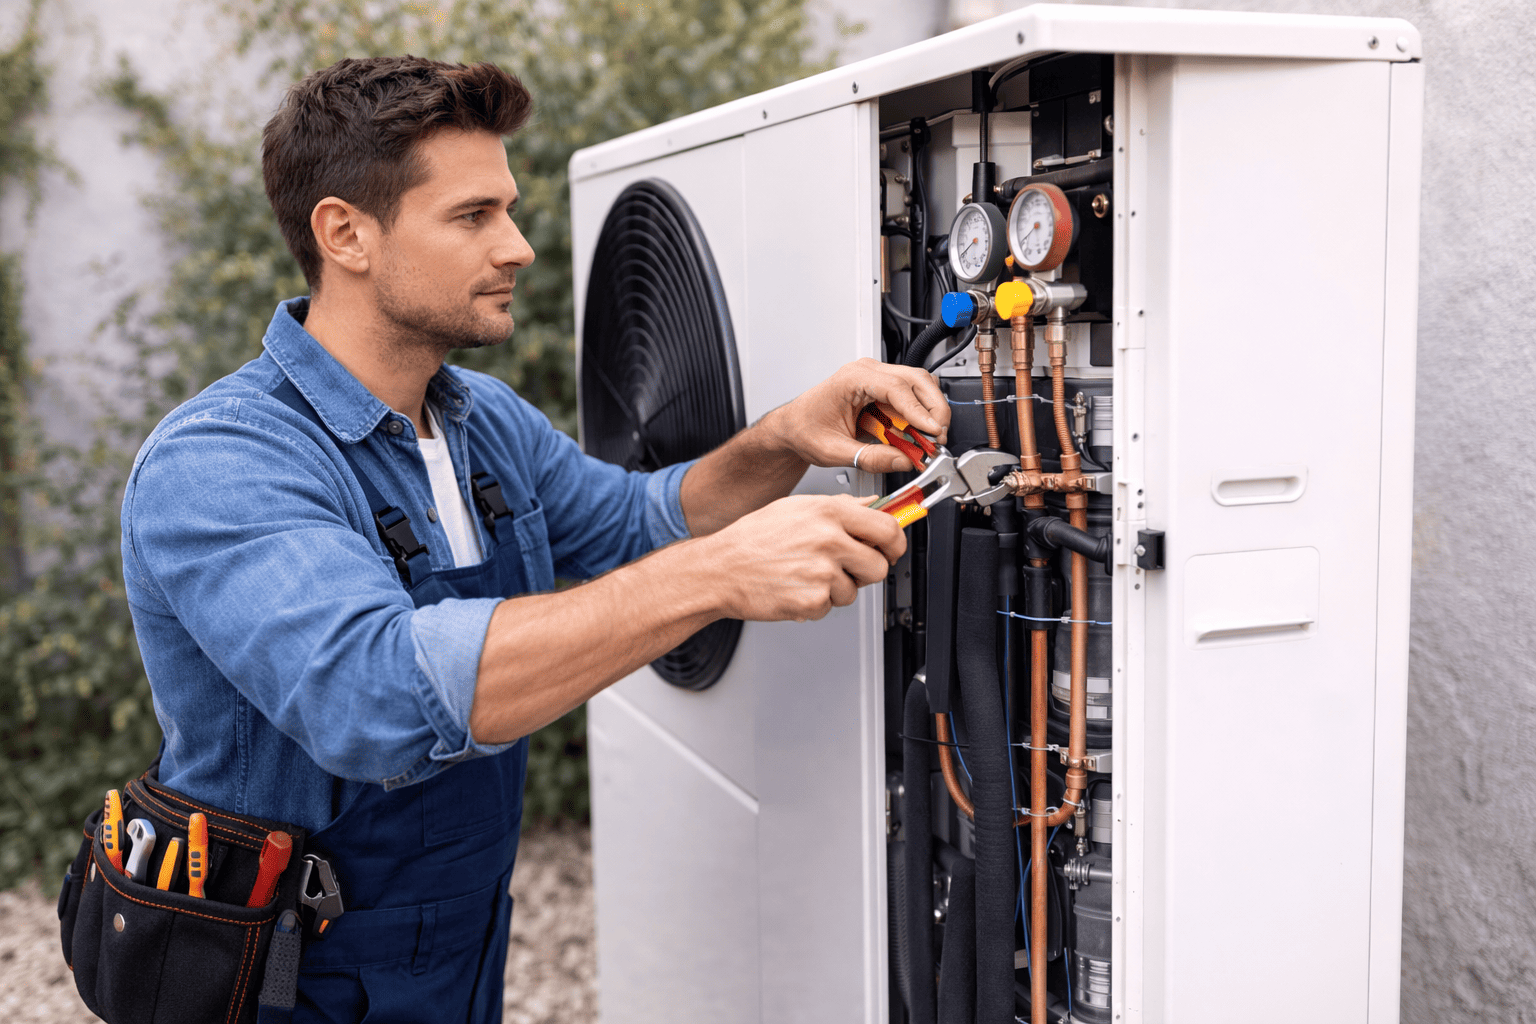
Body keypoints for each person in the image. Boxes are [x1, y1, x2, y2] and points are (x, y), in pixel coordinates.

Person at [120, 55, 949, 1021]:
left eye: (508, 211)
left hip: (459, 949)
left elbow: (642, 522)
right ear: (345, 233)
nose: (517, 247)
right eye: (473, 216)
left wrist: (784, 436)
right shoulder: (221, 460)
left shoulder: (481, 421)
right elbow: (372, 695)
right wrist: (716, 576)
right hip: (281, 979)